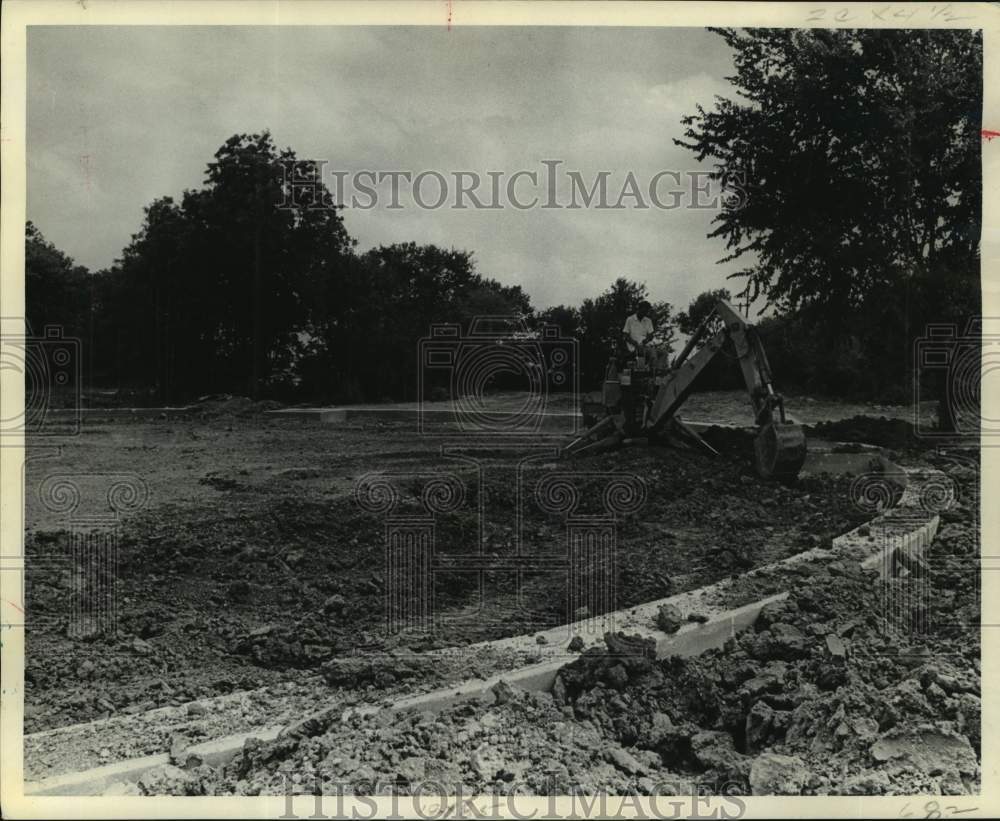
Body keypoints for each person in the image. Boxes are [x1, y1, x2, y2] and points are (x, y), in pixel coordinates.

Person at [621, 301, 655, 368]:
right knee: (653, 353)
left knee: (663, 353)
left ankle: (660, 372)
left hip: (645, 345)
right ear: (639, 309)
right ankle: (653, 373)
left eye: (646, 311)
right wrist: (634, 343)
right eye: (644, 310)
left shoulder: (648, 320)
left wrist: (647, 340)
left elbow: (651, 335)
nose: (645, 313)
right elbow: (625, 335)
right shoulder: (630, 319)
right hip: (634, 346)